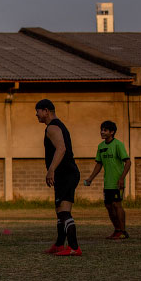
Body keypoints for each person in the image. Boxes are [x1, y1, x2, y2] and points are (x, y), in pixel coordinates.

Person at [36, 99, 82, 256]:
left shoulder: (53, 127)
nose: (36, 114)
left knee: (64, 211)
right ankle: (59, 244)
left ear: (46, 111)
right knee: (59, 211)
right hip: (65, 174)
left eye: (38, 111)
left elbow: (61, 149)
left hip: (66, 173)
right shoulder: (56, 126)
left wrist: (51, 170)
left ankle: (74, 247)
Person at [83, 120, 132, 240]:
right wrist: (90, 178)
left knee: (117, 204)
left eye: (105, 130)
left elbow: (128, 162)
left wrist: (122, 178)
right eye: (101, 130)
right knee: (109, 206)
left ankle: (123, 231)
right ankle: (117, 230)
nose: (102, 132)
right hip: (107, 183)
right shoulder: (101, 146)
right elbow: (99, 164)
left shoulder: (118, 144)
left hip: (117, 182)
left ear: (112, 132)